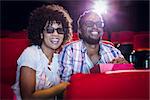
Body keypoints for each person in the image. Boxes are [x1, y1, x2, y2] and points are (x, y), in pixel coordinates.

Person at [12, 4, 73, 99]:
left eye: (60, 30)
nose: (55, 34)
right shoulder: (31, 54)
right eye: (50, 30)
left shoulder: (59, 59)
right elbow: (27, 97)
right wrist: (62, 86)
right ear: (41, 34)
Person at [59, 10, 128, 82]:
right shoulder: (69, 50)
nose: (95, 27)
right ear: (80, 30)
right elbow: (65, 86)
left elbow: (125, 82)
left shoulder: (114, 52)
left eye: (99, 24)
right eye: (89, 24)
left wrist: (125, 68)